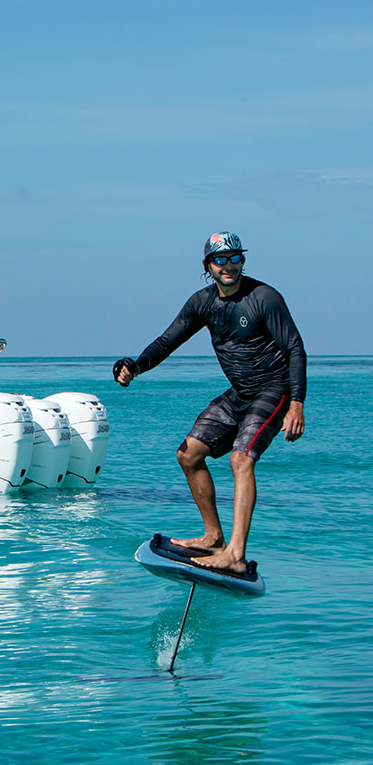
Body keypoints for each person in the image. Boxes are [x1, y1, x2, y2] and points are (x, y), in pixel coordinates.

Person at [114, 232, 306, 573]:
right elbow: (168, 340)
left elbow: (294, 347)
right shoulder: (202, 303)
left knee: (241, 459)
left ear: (242, 261)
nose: (229, 266)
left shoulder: (264, 297)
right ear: (208, 266)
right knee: (188, 454)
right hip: (240, 392)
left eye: (235, 258)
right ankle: (213, 537)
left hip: (273, 390)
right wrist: (136, 365)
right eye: (221, 260)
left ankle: (235, 554)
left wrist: (296, 404)